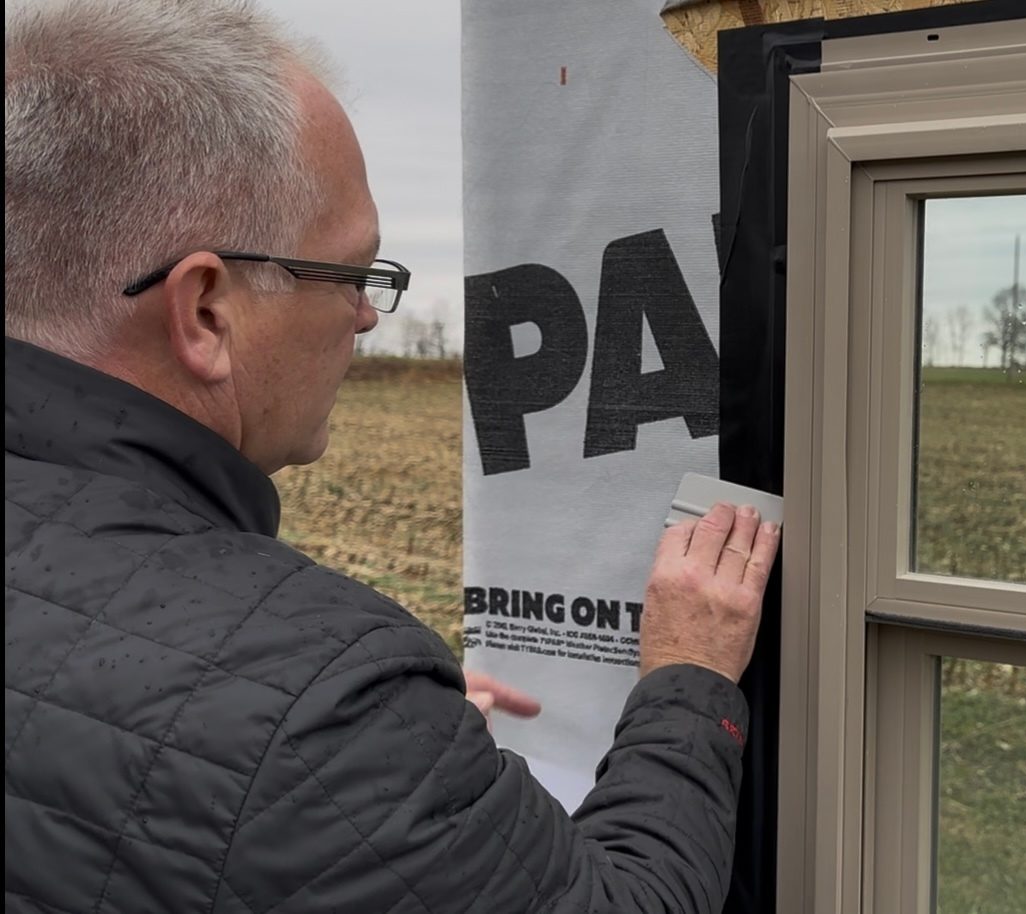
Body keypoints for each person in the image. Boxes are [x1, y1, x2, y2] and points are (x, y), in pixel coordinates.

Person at [3, 1, 781, 912]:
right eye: (350, 276)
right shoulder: (319, 704)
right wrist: (688, 684)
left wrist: (410, 760)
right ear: (206, 311)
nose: (370, 316)